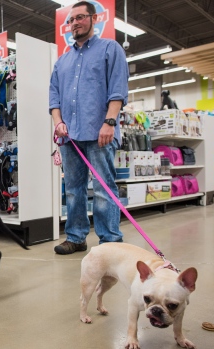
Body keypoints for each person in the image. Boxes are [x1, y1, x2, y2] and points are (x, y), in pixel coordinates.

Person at [49, 1, 129, 255]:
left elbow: (118, 89)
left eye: (80, 18)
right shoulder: (62, 61)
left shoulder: (110, 49)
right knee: (73, 190)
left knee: (104, 188)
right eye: (71, 20)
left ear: (93, 19)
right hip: (70, 137)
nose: (75, 23)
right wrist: (58, 122)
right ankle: (76, 237)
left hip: (99, 133)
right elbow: (54, 97)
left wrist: (109, 122)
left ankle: (110, 242)